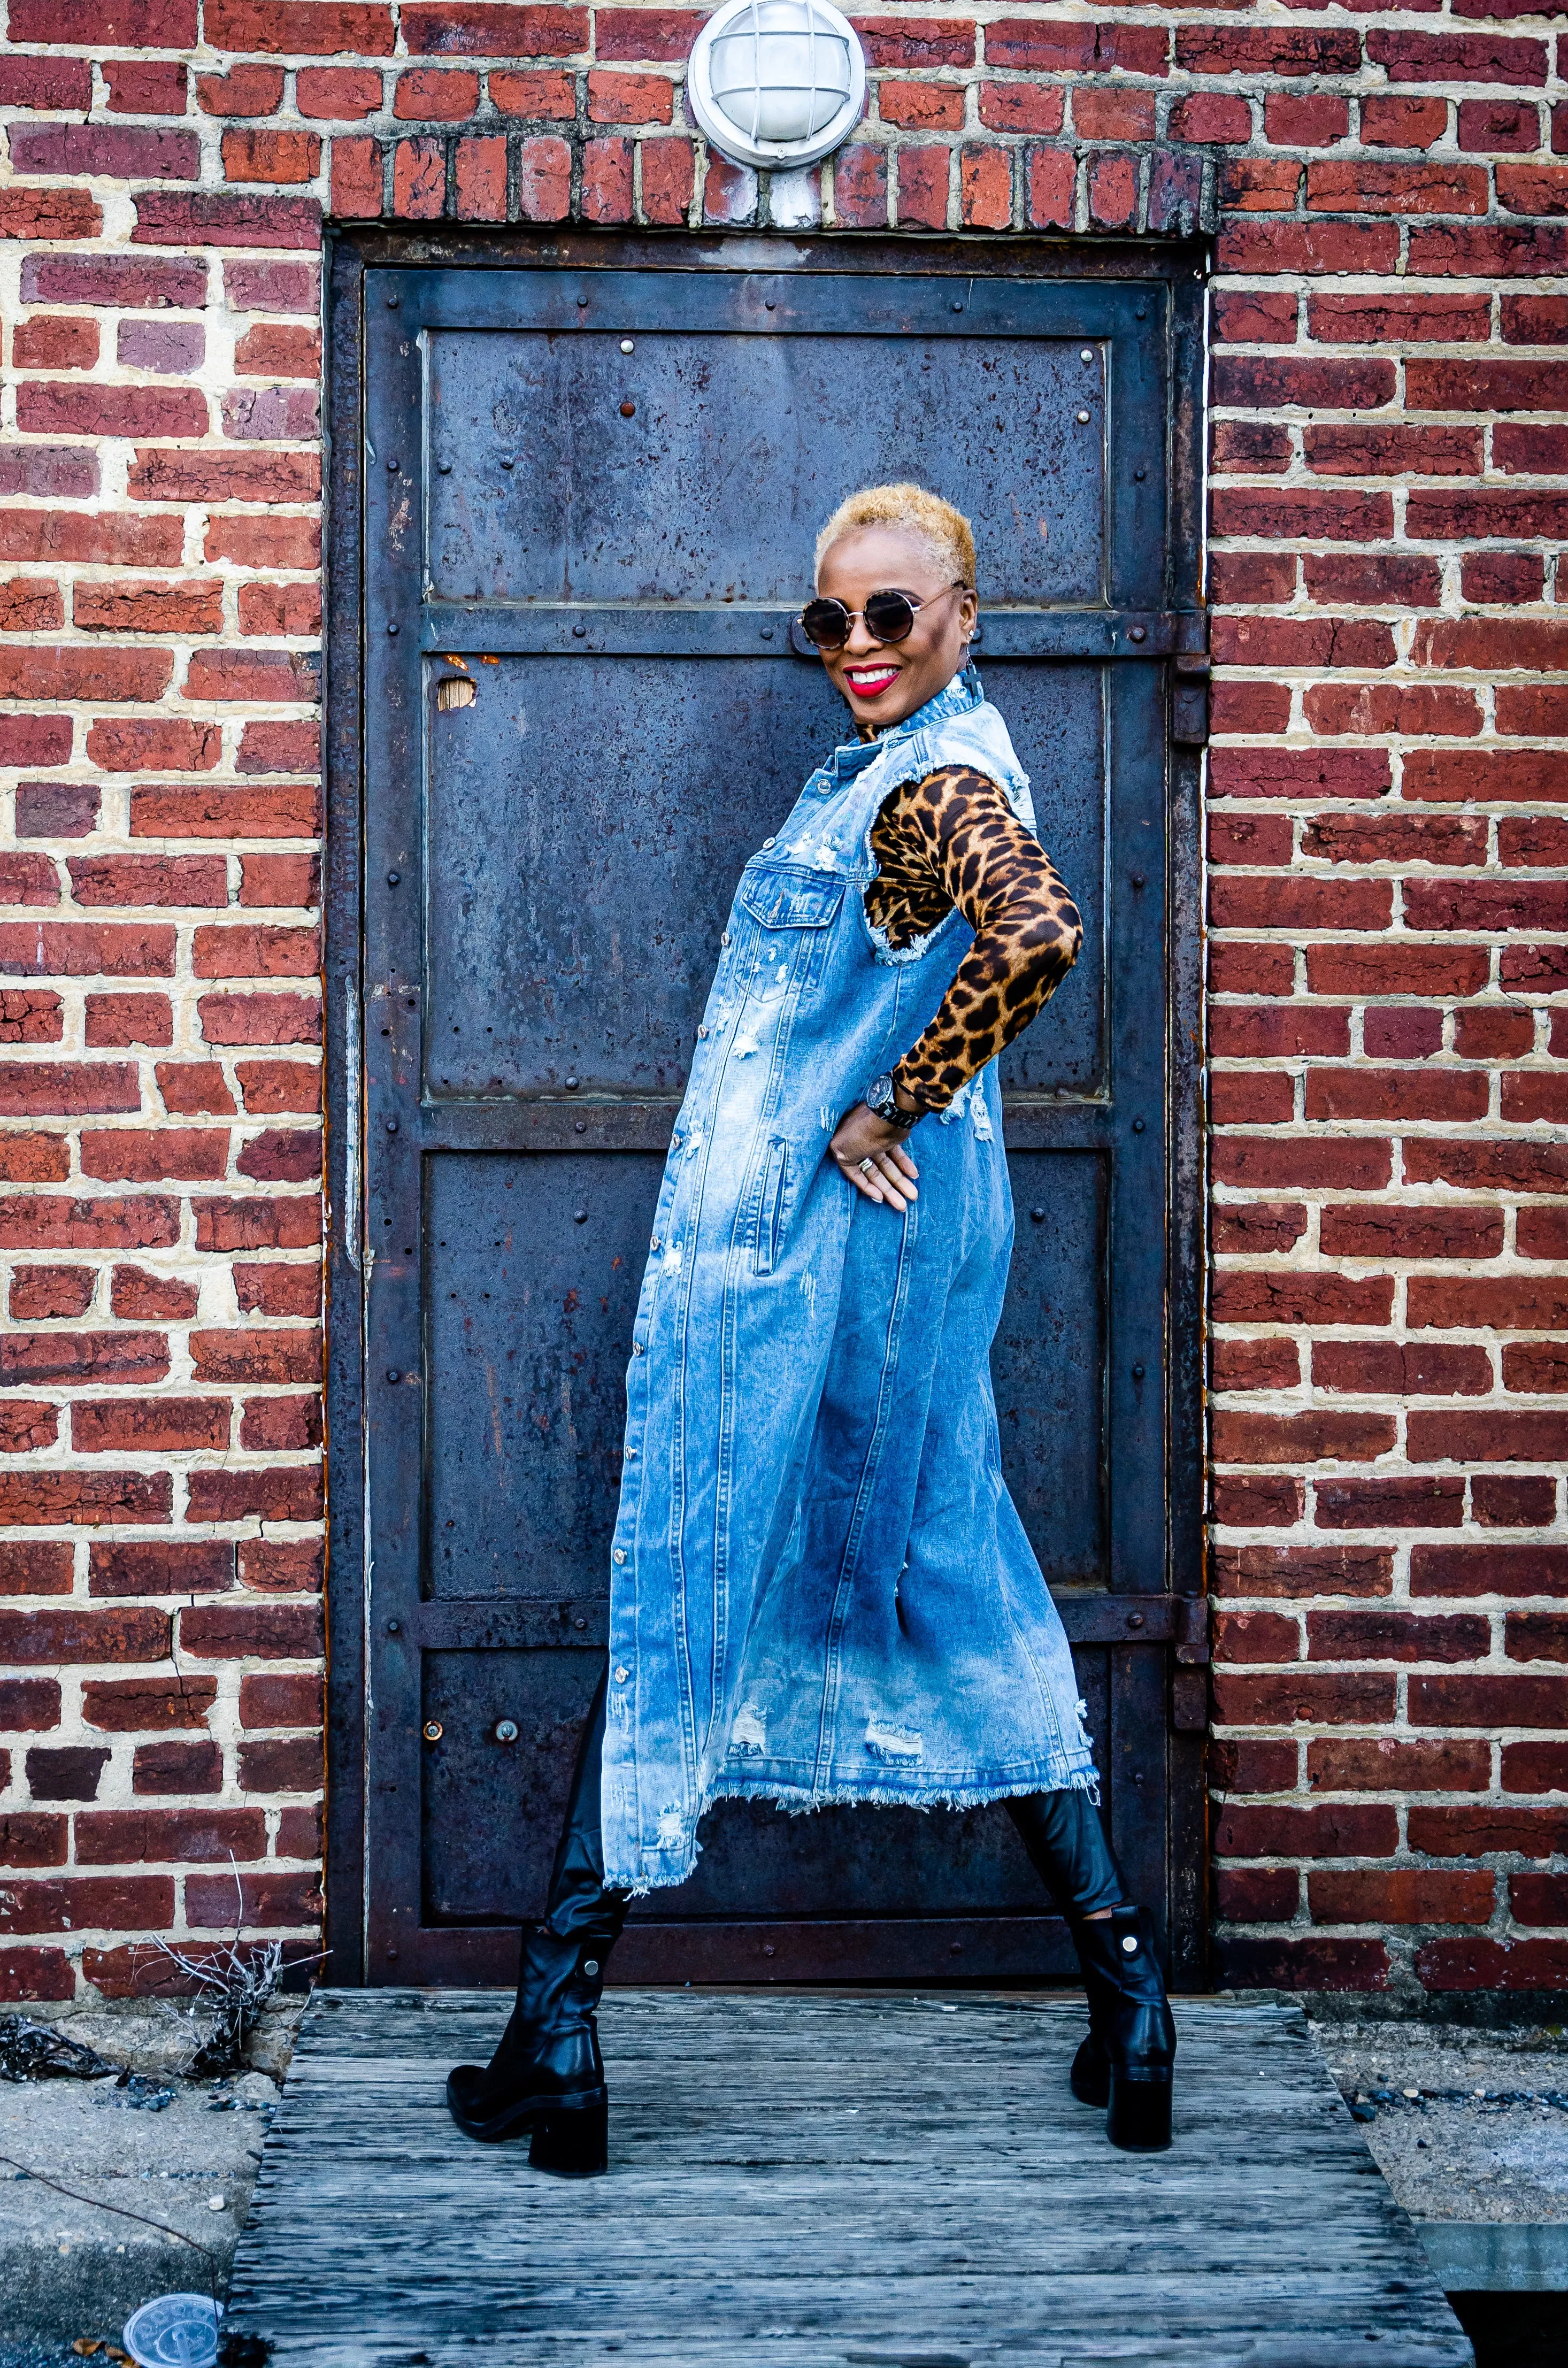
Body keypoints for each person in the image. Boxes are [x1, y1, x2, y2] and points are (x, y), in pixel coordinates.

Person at [446, 483, 1176, 2177]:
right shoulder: (901, 768)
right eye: (829, 622)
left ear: (965, 613)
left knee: (694, 1561)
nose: (858, 648)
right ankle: (1127, 1993)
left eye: (892, 614)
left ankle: (558, 2033)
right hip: (877, 1265)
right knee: (943, 1553)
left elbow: (1040, 930)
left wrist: (885, 1108)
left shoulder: (932, 783)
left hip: (810, 1258)